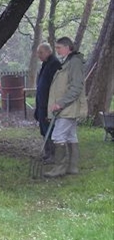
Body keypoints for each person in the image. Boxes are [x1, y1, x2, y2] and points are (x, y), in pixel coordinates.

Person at [44, 37, 86, 178]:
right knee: (70, 136)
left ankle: (59, 168)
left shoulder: (74, 63)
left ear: (68, 47)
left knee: (58, 136)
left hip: (67, 108)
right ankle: (72, 167)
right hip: (66, 107)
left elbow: (76, 87)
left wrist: (61, 103)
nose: (57, 51)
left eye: (59, 48)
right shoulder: (68, 62)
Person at [34, 43, 61, 163]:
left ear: (48, 52)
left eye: (41, 52)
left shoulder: (54, 64)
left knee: (50, 129)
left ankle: (53, 154)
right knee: (44, 129)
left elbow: (56, 87)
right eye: (38, 53)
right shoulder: (45, 64)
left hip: (49, 104)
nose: (38, 55)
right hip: (42, 103)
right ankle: (47, 152)